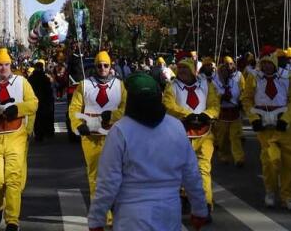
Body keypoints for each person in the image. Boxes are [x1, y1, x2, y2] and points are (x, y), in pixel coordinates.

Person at [86, 73, 209, 231]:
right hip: (169, 213)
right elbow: (191, 173)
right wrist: (199, 209)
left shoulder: (120, 130)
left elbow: (108, 182)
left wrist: (96, 219)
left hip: (131, 217)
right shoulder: (176, 127)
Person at [0, 48, 38, 231]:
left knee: (13, 180)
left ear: (11, 65)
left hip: (16, 136)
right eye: (0, 65)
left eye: (6, 65)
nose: (3, 68)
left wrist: (17, 109)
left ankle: (12, 220)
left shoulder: (22, 82)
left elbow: (33, 103)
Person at [242, 50, 291, 210]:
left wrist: (286, 119)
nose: (266, 66)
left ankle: (288, 196)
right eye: (263, 63)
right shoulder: (254, 78)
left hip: (284, 126)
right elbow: (246, 99)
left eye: (269, 63)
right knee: (270, 161)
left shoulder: (288, 77)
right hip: (264, 126)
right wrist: (254, 119)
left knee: (288, 162)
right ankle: (270, 191)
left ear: (274, 63)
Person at [162, 57, 218, 213]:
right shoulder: (171, 87)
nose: (182, 71)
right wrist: (187, 115)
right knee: (181, 169)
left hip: (204, 133)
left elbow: (214, 103)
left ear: (193, 70)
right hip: (180, 134)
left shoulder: (206, 84)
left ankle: (205, 205)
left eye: (185, 67)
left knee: (203, 169)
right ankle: (183, 195)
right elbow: (168, 104)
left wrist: (208, 115)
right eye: (180, 68)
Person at [70, 50, 126, 200]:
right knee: (95, 174)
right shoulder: (84, 85)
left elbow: (126, 108)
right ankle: (102, 212)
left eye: (105, 65)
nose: (102, 68)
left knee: (115, 173)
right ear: (95, 67)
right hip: (91, 138)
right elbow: (74, 108)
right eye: (99, 65)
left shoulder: (119, 86)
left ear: (110, 66)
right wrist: (78, 125)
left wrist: (112, 116)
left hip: (114, 136)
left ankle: (115, 204)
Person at [211, 56, 246, 167]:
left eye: (227, 70)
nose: (225, 72)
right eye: (223, 70)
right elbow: (212, 95)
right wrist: (221, 97)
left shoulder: (235, 80)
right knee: (223, 137)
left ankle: (239, 158)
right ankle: (224, 156)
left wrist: (240, 101)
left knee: (235, 137)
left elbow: (240, 92)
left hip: (234, 111)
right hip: (222, 112)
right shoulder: (214, 81)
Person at [27, 61, 56, 141]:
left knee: (36, 118)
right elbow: (49, 90)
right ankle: (44, 132)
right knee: (44, 117)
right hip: (43, 101)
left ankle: (38, 134)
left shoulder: (31, 78)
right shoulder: (45, 78)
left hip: (34, 100)